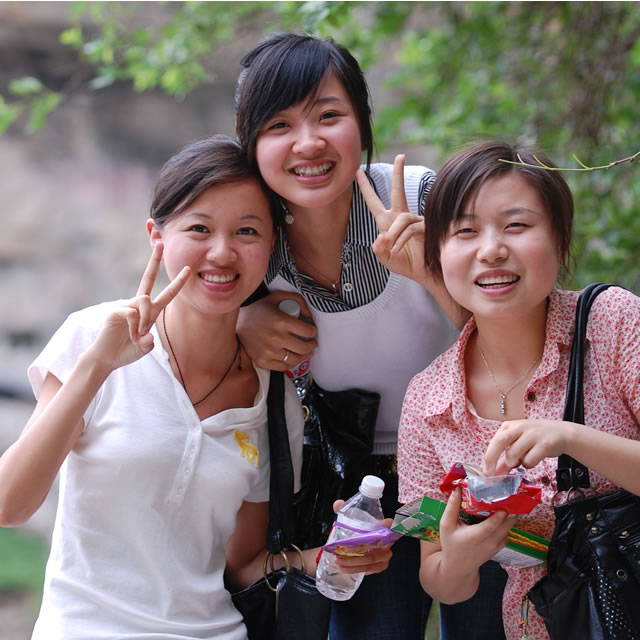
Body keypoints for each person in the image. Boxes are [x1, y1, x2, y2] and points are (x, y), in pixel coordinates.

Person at [0, 135, 390, 639]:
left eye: (247, 231)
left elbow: (243, 566)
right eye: (199, 229)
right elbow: (10, 505)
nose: (222, 252)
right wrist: (96, 366)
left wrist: (323, 557)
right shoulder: (94, 336)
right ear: (156, 236)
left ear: (272, 243)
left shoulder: (274, 400)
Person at [234, 32, 508, 640]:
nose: (308, 143)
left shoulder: (428, 200)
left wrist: (429, 274)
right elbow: (184, 322)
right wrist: (238, 321)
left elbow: (521, 336)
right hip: (356, 490)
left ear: (362, 124)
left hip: (475, 469)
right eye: (278, 125)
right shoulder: (250, 238)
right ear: (250, 144)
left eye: (329, 116)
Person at [397, 140, 640, 640]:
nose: (491, 250)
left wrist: (570, 437)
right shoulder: (428, 402)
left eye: (516, 225)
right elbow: (439, 578)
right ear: (437, 255)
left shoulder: (614, 323)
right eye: (465, 231)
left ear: (560, 240)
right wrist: (461, 559)